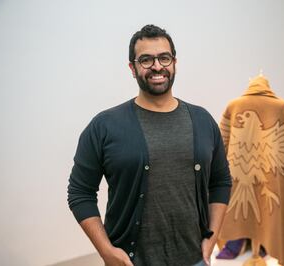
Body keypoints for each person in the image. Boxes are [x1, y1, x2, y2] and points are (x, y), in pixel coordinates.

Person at [67, 24, 231, 266]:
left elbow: (220, 182)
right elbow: (80, 193)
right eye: (146, 60)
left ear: (174, 62)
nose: (157, 66)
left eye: (164, 58)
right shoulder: (104, 126)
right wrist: (106, 251)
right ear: (132, 68)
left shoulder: (203, 120)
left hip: (195, 259)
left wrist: (212, 237)